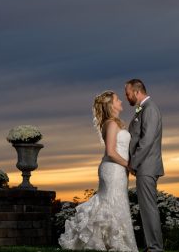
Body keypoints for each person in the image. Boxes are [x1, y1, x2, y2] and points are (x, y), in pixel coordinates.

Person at [59, 90, 138, 252]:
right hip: (113, 169)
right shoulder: (111, 124)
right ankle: (110, 242)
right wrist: (129, 165)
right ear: (110, 105)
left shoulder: (114, 123)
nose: (121, 101)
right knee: (110, 202)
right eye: (117, 100)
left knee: (117, 202)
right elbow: (110, 151)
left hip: (118, 169)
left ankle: (112, 241)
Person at [125, 79, 164, 252]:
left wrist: (133, 163)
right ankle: (152, 246)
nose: (126, 97)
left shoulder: (150, 109)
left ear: (136, 91)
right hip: (144, 166)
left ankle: (155, 248)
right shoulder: (143, 109)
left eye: (127, 93)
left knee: (149, 208)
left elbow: (146, 141)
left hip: (147, 166)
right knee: (146, 209)